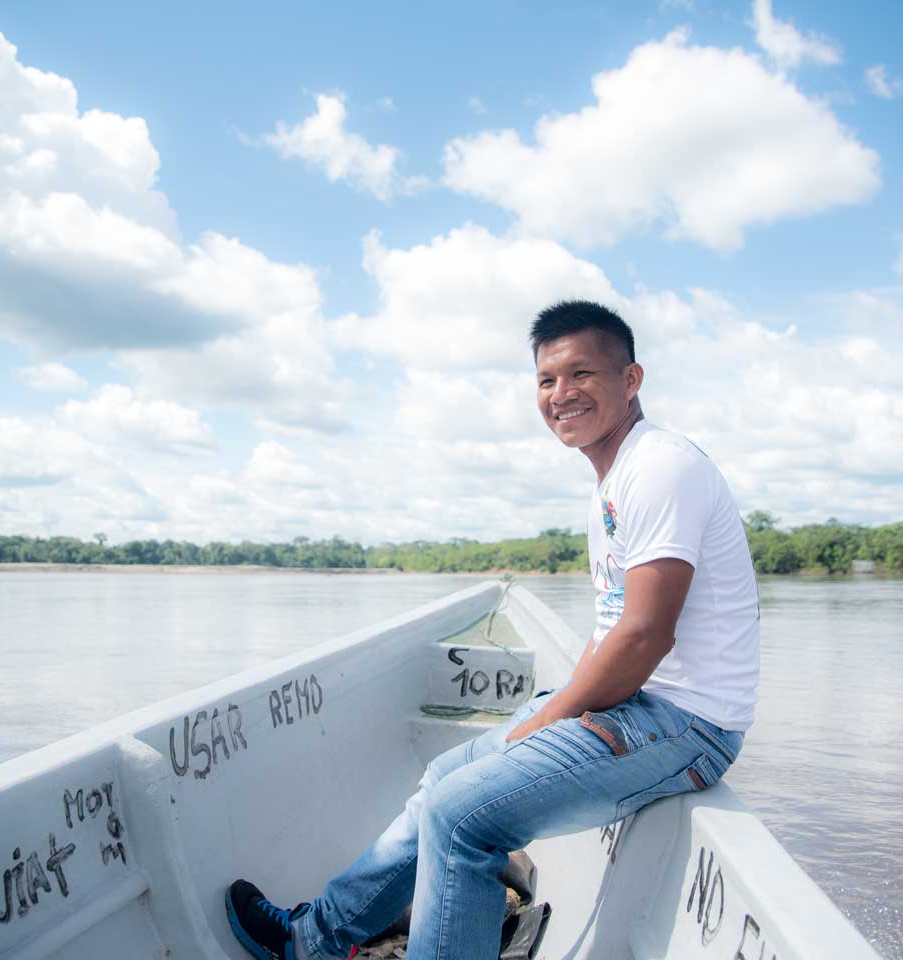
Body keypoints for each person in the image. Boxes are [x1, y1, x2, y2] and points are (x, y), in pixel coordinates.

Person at [225, 300, 760, 960]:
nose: (561, 394)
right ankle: (315, 938)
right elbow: (610, 626)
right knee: (440, 782)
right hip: (638, 706)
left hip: (687, 725)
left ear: (632, 379)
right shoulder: (613, 480)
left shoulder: (660, 467)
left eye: (582, 374)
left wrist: (554, 715)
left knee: (460, 818)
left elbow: (646, 634)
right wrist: (557, 715)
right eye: (546, 380)